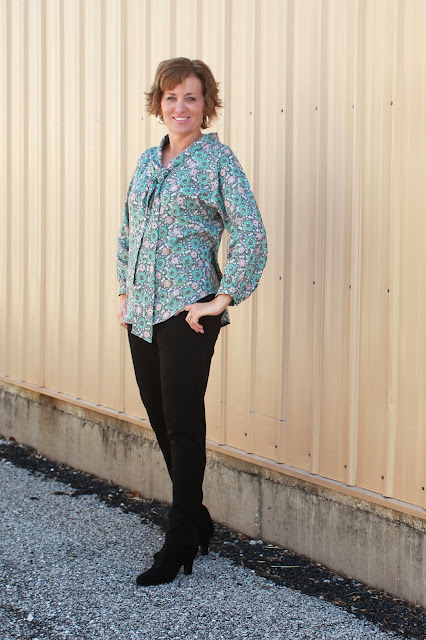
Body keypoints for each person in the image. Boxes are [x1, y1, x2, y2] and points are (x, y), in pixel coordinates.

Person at [116, 57, 267, 586]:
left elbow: (250, 232)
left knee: (183, 424)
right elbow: (128, 229)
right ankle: (198, 517)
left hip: (188, 313)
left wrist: (222, 298)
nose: (180, 107)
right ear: (158, 104)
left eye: (191, 98)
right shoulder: (147, 161)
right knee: (160, 419)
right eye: (171, 97)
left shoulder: (217, 161)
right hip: (142, 311)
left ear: (207, 105)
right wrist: (125, 292)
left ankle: (179, 539)